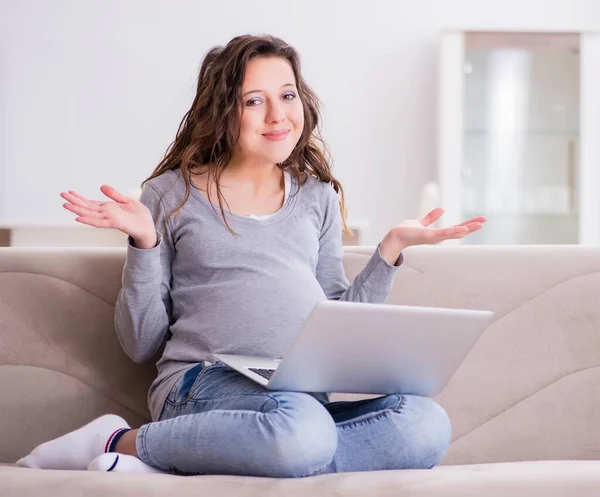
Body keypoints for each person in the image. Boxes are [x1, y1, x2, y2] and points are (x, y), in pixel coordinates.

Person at [16, 34, 485, 477]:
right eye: (254, 101)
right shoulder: (169, 195)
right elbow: (142, 343)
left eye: (288, 95)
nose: (278, 115)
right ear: (224, 111)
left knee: (425, 424)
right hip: (202, 383)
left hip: (297, 399)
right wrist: (144, 244)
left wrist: (390, 251)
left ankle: (219, 454)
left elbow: (340, 324)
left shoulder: (316, 196)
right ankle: (119, 441)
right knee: (303, 429)